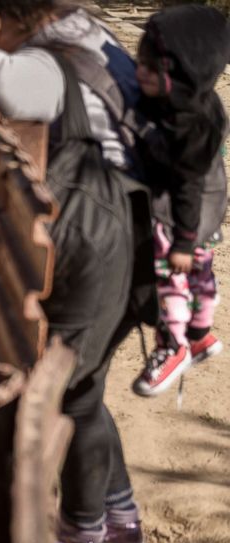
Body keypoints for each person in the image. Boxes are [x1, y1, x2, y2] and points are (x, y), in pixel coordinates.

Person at [0, 0, 154, 543]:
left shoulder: (43, 63)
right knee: (86, 382)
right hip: (124, 227)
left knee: (72, 388)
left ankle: (85, 534)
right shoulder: (84, 30)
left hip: (99, 236)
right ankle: (120, 512)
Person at [130, 5, 230, 397]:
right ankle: (202, 333)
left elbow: (185, 186)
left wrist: (183, 242)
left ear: (185, 77)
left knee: (171, 280)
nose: (141, 73)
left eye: (152, 71)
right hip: (208, 209)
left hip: (179, 218)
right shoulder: (201, 105)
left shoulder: (185, 129)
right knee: (202, 275)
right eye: (140, 63)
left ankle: (173, 347)